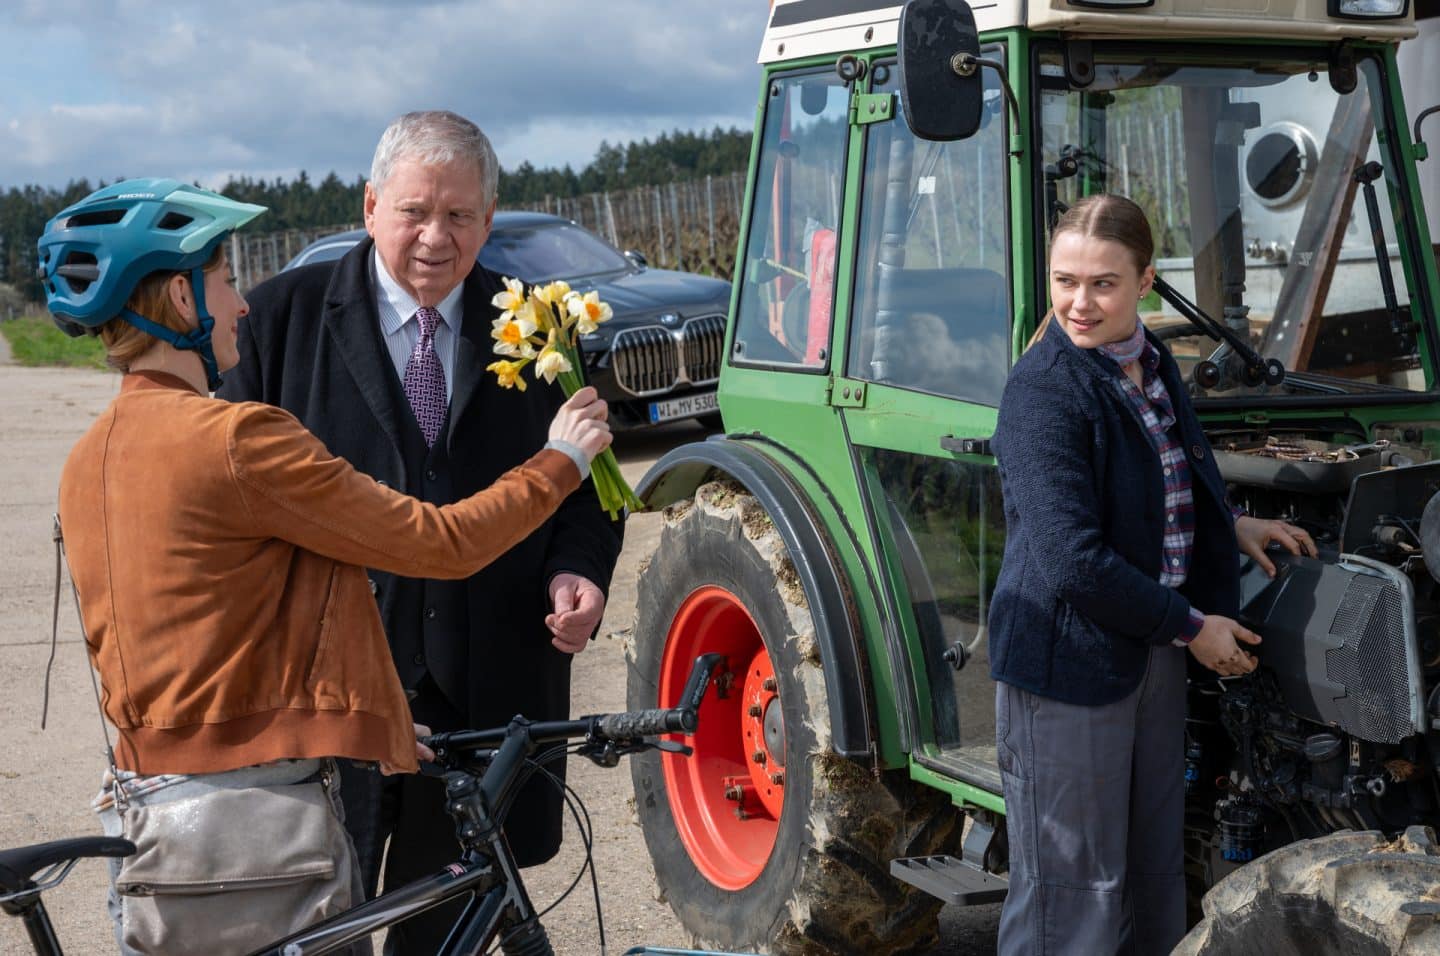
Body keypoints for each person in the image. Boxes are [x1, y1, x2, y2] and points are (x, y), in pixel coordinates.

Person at [40, 178, 612, 954]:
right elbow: (440, 542)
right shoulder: (239, 440)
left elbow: (226, 632)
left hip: (159, 821)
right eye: (224, 280)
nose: (242, 304)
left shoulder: (87, 459)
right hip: (264, 828)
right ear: (181, 297)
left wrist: (367, 707)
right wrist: (560, 461)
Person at [216, 110, 625, 952]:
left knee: (446, 930)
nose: (437, 238)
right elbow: (231, 511)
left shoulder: (545, 329)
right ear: (370, 206)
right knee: (318, 922)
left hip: (484, 696)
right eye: (414, 212)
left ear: (489, 215)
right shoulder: (274, 325)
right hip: (330, 698)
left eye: (461, 216)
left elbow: (590, 489)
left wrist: (576, 571)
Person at [987, 194, 1316, 955]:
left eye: (1102, 283)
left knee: (1149, 876)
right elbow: (1074, 559)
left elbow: (1154, 485)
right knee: (1072, 898)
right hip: (1069, 667)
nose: (1079, 301)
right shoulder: (1045, 390)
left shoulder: (1150, 360)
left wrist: (1232, 524)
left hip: (1147, 650)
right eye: (1065, 280)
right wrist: (1195, 627)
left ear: (1145, 282)